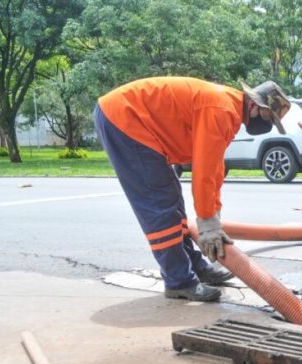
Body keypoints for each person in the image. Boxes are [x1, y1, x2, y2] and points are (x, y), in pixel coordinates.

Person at [94, 77, 290, 301]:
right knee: (160, 205)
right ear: (255, 105)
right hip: (125, 118)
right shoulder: (221, 109)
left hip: (131, 119)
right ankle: (179, 281)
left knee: (172, 201)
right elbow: (204, 169)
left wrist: (213, 217)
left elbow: (215, 166)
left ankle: (195, 267)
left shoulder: (228, 109)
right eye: (268, 117)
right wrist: (206, 220)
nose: (267, 125)